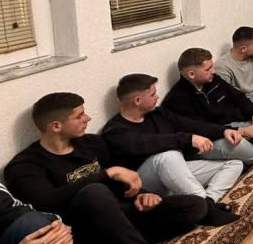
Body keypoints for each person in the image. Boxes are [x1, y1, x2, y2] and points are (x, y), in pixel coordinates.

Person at [4, 93, 204, 244]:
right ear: (56, 126)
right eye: (79, 116)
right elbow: (45, 202)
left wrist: (141, 195)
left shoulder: (91, 143)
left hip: (118, 216)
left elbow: (119, 181)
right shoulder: (25, 165)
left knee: (194, 206)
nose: (88, 118)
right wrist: (105, 174)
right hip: (79, 230)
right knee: (94, 192)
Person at [101, 73, 242, 226]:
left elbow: (190, 124)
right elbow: (147, 143)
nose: (157, 96)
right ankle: (208, 210)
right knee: (167, 156)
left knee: (234, 164)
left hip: (173, 173)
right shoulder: (115, 130)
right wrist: (188, 139)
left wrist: (223, 130)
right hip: (144, 187)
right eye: (152, 94)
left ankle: (208, 202)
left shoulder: (158, 113)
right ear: (137, 100)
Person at [164, 48, 253, 166]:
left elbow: (238, 96)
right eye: (208, 69)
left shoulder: (213, 80)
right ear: (191, 74)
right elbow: (201, 128)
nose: (213, 71)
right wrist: (242, 131)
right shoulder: (177, 99)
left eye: (212, 66)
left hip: (233, 125)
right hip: (210, 139)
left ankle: (249, 153)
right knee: (238, 145)